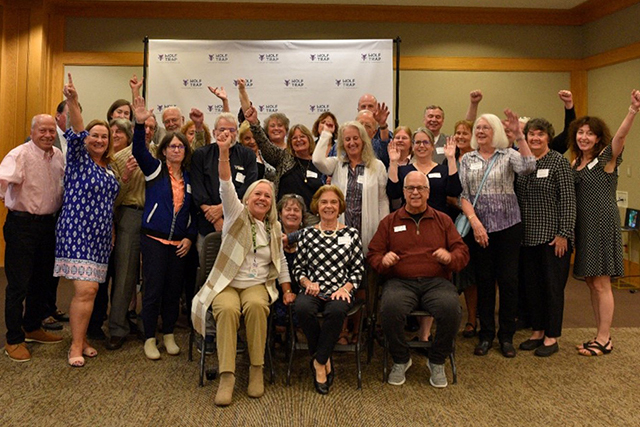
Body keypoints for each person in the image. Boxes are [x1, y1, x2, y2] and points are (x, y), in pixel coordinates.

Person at [191, 128, 292, 407]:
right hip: (227, 283)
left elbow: (279, 261)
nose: (262, 198)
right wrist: (223, 153)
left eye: (267, 196)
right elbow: (225, 184)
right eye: (257, 194)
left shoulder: (274, 227)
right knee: (226, 309)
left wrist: (285, 289)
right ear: (247, 199)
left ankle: (256, 370)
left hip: (257, 285)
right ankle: (227, 375)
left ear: (272, 203)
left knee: (258, 307)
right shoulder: (235, 214)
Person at [368, 171, 469, 388]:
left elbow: (462, 252)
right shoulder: (389, 221)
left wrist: (450, 257)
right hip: (400, 282)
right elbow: (373, 254)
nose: (415, 192)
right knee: (390, 308)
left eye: (420, 188)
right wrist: (383, 260)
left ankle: (437, 359)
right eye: (410, 188)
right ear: (403, 192)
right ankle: (401, 358)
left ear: (428, 192)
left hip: (436, 281)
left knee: (451, 309)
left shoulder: (443, 220)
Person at [55, 74, 120, 367]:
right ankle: (75, 347)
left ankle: (81, 339)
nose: (99, 139)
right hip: (77, 230)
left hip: (101, 236)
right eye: (95, 135)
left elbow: (109, 202)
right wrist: (72, 100)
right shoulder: (79, 159)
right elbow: (78, 128)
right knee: (87, 289)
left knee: (93, 290)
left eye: (104, 137)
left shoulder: (109, 169)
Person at [459, 110, 536, 358]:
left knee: (508, 282)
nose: (480, 131)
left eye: (486, 128)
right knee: (484, 283)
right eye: (477, 128)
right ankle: (486, 335)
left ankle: (506, 337)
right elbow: (464, 196)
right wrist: (475, 223)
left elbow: (529, 167)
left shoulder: (509, 155)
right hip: (480, 230)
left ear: (497, 132)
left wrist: (520, 136)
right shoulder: (467, 159)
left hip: (508, 227)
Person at [572, 89, 640, 356]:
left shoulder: (605, 160)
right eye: (580, 132)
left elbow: (621, 136)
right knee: (591, 282)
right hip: (584, 227)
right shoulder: (576, 162)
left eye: (590, 133)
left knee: (601, 283)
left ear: (598, 137)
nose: (584, 137)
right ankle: (601, 334)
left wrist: (632, 110)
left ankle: (604, 337)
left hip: (601, 224)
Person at [129, 97, 196, 359]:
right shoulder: (155, 170)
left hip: (179, 244)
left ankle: (168, 334)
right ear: (165, 150)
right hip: (154, 240)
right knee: (153, 288)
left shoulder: (190, 178)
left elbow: (191, 213)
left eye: (181, 146)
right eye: (172, 146)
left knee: (172, 290)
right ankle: (149, 337)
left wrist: (189, 238)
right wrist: (139, 122)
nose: (176, 150)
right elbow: (138, 150)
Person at [1, 114, 65, 362]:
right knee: (19, 284)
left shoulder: (58, 156)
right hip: (22, 225)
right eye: (43, 131)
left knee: (43, 281)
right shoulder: (19, 154)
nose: (48, 135)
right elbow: (2, 179)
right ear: (33, 131)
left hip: (49, 226)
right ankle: (14, 338)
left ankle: (32, 327)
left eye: (52, 131)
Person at [292, 186, 364, 394]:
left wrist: (347, 287)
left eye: (333, 202)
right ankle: (324, 358)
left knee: (337, 311)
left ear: (340, 206)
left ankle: (319, 361)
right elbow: (298, 267)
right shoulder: (306, 234)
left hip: (340, 289)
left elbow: (358, 269)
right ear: (317, 206)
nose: (329, 206)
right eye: (324, 202)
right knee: (302, 307)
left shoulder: (351, 234)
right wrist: (306, 283)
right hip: (313, 289)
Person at [515, 118, 576, 357]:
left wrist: (564, 234)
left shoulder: (558, 162)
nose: (535, 138)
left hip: (553, 239)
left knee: (552, 288)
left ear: (548, 137)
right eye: (531, 134)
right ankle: (538, 331)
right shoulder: (523, 162)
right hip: (527, 238)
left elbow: (569, 201)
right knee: (532, 288)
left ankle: (552, 336)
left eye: (540, 134)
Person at [312, 121, 389, 255]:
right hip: (341, 232)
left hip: (369, 231)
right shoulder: (336, 164)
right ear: (342, 144)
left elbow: (382, 200)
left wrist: (383, 229)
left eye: (355, 138)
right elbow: (317, 160)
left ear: (363, 140)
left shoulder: (377, 166)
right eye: (347, 139)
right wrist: (326, 134)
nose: (351, 143)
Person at [190, 112, 258, 251]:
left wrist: (222, 209)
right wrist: (216, 219)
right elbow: (197, 188)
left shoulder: (248, 155)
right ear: (214, 133)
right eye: (222, 130)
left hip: (239, 224)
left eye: (231, 130)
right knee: (208, 269)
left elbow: (249, 188)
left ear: (237, 132)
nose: (227, 133)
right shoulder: (201, 155)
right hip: (207, 224)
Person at [447, 120, 478, 338]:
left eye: (465, 133)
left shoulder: (479, 159)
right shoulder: (448, 159)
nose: (460, 136)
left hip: (474, 222)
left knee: (471, 274)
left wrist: (466, 207)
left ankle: (472, 320)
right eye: (457, 132)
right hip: (451, 221)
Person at [387, 127, 461, 216]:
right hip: (409, 219)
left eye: (426, 142)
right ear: (413, 146)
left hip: (438, 220)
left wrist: (451, 158)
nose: (421, 146)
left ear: (432, 146)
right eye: (418, 142)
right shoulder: (403, 171)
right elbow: (393, 194)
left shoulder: (444, 170)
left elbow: (454, 192)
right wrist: (393, 162)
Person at [423, 90, 483, 164]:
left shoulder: (450, 141)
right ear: (424, 119)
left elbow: (468, 125)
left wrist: (474, 104)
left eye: (438, 117)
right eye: (430, 116)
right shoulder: (415, 141)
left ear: (443, 121)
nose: (434, 120)